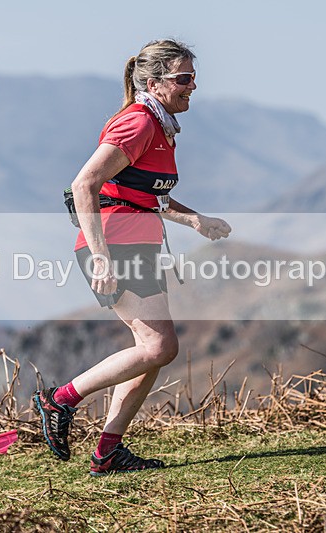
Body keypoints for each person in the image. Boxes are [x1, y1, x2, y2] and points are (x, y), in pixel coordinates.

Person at [33, 39, 231, 476]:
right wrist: (102, 258)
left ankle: (107, 452)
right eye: (184, 78)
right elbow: (85, 184)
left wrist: (195, 220)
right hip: (115, 245)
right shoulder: (138, 123)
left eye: (194, 77)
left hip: (135, 243)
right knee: (160, 346)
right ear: (154, 82)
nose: (192, 86)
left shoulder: (160, 126)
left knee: (154, 351)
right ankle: (59, 399)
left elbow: (147, 194)